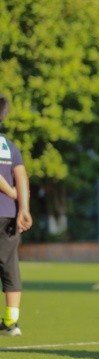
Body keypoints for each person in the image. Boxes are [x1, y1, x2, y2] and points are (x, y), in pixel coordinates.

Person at [0, 95, 32, 336]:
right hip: (9, 215)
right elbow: (21, 176)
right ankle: (11, 322)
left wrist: (8, 190)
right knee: (9, 266)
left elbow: (12, 183)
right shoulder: (9, 146)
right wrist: (23, 208)